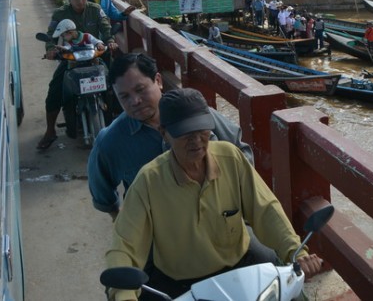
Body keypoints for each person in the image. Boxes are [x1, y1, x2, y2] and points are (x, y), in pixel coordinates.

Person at [104, 88, 322, 300]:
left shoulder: (231, 157)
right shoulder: (148, 180)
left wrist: (297, 252)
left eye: (202, 130)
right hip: (177, 283)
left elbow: (265, 209)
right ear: (164, 134)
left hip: (240, 270)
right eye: (185, 133)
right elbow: (125, 244)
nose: (197, 140)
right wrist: (122, 294)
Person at [87, 53, 255, 219]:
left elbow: (241, 151)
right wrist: (121, 221)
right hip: (158, 232)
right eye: (124, 96)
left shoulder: (192, 110)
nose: (135, 101)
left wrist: (232, 198)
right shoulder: (111, 141)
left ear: (158, 81)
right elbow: (102, 190)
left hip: (217, 217)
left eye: (140, 89)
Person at [38, 0, 115, 150]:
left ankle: (121, 122)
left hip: (95, 57)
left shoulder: (95, 9)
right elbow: (51, 35)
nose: (80, 1)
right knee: (55, 90)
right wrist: (51, 49)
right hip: (70, 61)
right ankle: (50, 131)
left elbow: (105, 27)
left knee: (117, 82)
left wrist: (109, 40)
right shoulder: (60, 14)